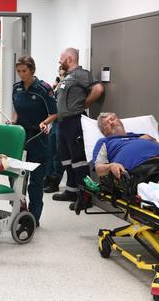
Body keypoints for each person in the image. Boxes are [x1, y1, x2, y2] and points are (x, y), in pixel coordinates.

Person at [51, 48, 104, 210]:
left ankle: (85, 196)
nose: (60, 62)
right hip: (63, 122)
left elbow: (98, 89)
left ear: (69, 58)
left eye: (61, 59)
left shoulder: (81, 74)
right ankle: (71, 190)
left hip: (75, 121)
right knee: (66, 159)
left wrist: (85, 103)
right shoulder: (67, 77)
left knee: (78, 161)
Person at [11, 56, 57, 225]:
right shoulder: (16, 88)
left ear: (32, 70)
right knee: (15, 176)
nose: (21, 74)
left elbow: (54, 112)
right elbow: (16, 109)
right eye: (18, 71)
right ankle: (20, 209)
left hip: (38, 138)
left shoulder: (43, 89)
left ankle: (34, 216)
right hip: (20, 136)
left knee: (36, 181)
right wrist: (14, 121)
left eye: (24, 71)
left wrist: (45, 122)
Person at [44, 65, 67, 193]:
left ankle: (55, 179)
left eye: (64, 74)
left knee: (59, 153)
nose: (61, 77)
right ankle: (47, 177)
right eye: (60, 74)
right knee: (50, 149)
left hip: (64, 120)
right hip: (55, 121)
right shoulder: (57, 86)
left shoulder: (68, 85)